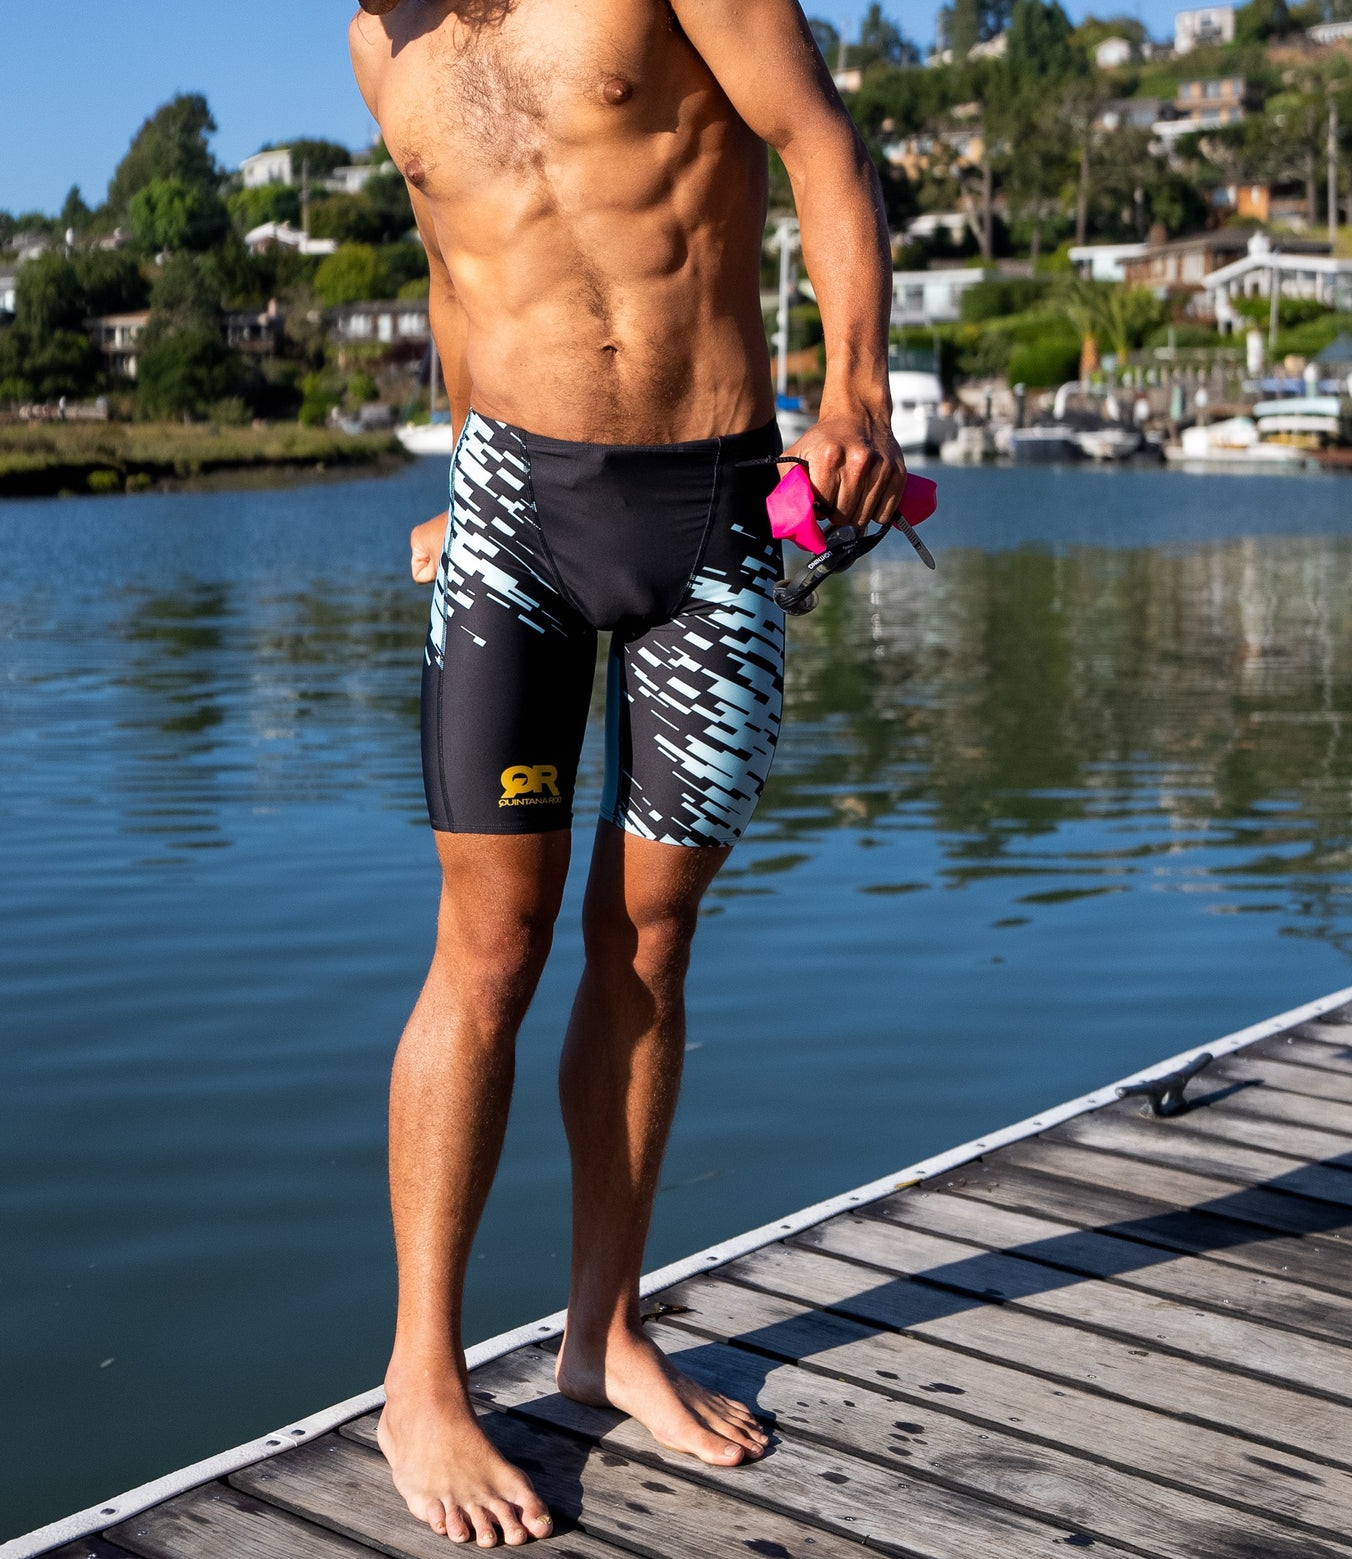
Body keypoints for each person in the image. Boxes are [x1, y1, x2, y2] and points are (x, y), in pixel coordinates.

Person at [348, 1, 903, 1547]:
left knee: (649, 939)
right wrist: (458, 465)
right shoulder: (376, 48)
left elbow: (821, 147)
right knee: (489, 946)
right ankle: (421, 1381)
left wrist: (854, 393)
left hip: (714, 516)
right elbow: (457, 258)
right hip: (511, 514)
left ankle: (605, 1335)